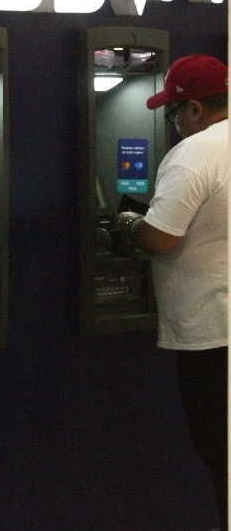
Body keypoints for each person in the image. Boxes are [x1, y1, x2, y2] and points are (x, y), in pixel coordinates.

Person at [116, 53, 228, 530]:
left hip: (210, 335)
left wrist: (127, 223)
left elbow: (162, 238)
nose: (174, 123)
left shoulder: (195, 153)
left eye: (174, 113)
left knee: (220, 457)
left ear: (196, 109)